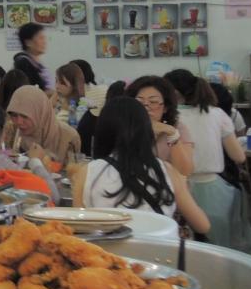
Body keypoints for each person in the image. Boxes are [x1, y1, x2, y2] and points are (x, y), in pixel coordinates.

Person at [72, 96, 210, 234]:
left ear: (102, 131)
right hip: (159, 247)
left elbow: (78, 229)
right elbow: (203, 226)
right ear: (146, 130)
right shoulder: (166, 171)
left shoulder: (88, 172)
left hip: (105, 248)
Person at [164, 69, 251, 253]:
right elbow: (238, 156)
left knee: (181, 248)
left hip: (174, 189)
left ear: (173, 93)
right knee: (219, 249)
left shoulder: (168, 118)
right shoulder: (217, 113)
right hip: (214, 192)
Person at [129, 76, 195, 177]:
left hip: (169, 185)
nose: (145, 107)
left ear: (165, 108)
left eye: (153, 102)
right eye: (139, 102)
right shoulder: (125, 127)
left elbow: (185, 171)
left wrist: (172, 134)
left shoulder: (176, 127)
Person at [6, 85, 80, 163]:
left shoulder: (69, 138)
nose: (19, 122)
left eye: (25, 116)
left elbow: (73, 169)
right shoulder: (12, 131)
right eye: (14, 115)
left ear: (41, 113)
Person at [13, 24, 53, 91]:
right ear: (28, 43)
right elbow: (30, 92)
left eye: (44, 38)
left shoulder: (37, 63)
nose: (44, 42)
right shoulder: (23, 64)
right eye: (41, 38)